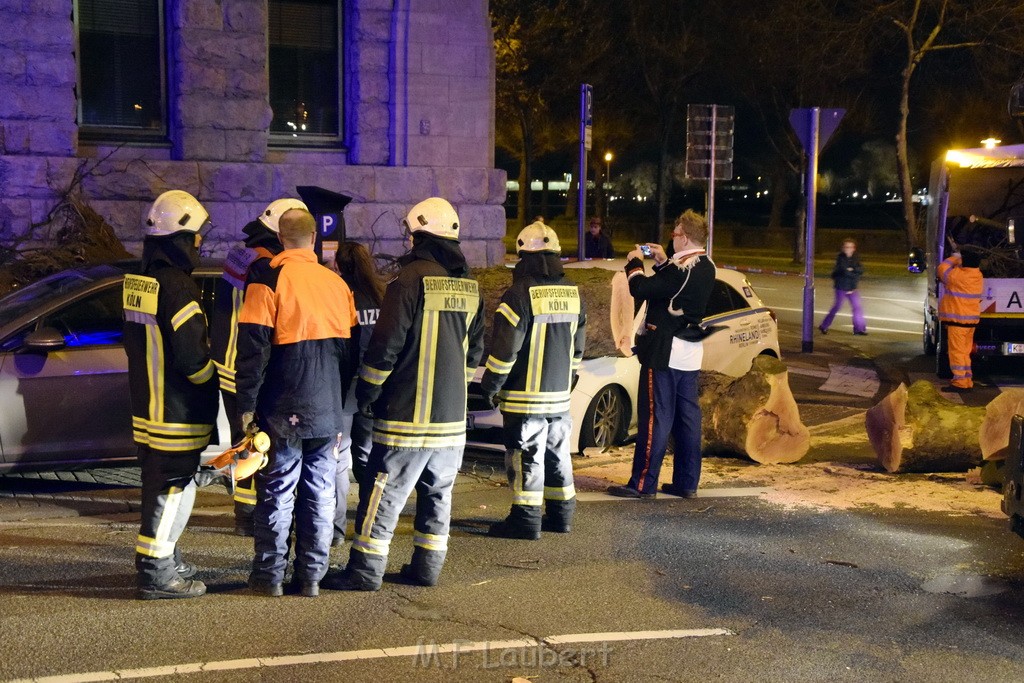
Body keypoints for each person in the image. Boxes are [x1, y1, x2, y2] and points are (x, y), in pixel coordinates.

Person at [326, 197, 484, 591]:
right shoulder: (469, 286)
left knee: (383, 494)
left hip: (406, 417)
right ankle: (427, 569)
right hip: (451, 422)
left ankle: (364, 572)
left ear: (418, 235)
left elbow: (385, 346)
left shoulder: (408, 282)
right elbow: (474, 351)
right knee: (438, 497)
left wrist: (367, 390)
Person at [235, 208, 358, 598]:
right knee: (321, 491)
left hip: (281, 403)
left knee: (277, 491)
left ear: (279, 237)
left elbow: (253, 349)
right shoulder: (336, 283)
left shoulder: (267, 278)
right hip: (326, 406)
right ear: (313, 239)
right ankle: (311, 578)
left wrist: (247, 405)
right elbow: (350, 352)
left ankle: (268, 577)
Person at [124, 190, 219, 600]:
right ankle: (157, 573)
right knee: (173, 488)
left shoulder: (140, 280)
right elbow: (192, 356)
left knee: (162, 486)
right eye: (197, 235)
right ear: (183, 237)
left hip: (147, 407)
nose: (200, 243)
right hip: (176, 411)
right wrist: (211, 383)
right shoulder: (178, 287)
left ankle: (166, 557)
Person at [480, 222, 586, 539]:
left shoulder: (518, 296)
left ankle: (525, 518)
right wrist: (568, 382)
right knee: (557, 456)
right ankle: (561, 515)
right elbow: (578, 349)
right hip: (559, 398)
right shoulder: (573, 293)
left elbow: (504, 352)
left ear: (523, 256)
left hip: (525, 400)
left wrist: (490, 387)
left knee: (526, 457)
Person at [210, 198, 306, 536]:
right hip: (250, 365)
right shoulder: (266, 265)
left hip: (227, 360)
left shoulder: (241, 254)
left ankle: (244, 512)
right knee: (256, 442)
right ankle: (249, 517)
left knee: (242, 440)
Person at [607, 209, 716, 499]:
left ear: (686, 237)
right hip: (691, 353)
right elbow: (674, 286)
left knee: (656, 418)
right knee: (687, 420)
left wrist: (634, 263)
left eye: (675, 234)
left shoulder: (682, 268)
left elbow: (641, 288)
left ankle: (642, 484)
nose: (672, 239)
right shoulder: (706, 265)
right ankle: (687, 482)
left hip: (665, 352)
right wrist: (663, 261)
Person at [331, 241, 385, 547]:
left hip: (344, 387)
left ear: (340, 266)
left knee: (338, 458)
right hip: (375, 387)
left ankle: (337, 530)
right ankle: (369, 523)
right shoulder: (382, 297)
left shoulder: (340, 295)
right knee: (368, 458)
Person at [937, 244, 984, 392]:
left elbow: (941, 269)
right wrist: (960, 260)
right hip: (970, 322)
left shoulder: (957, 276)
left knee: (957, 353)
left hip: (958, 322)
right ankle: (967, 379)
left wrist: (954, 258)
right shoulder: (977, 275)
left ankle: (959, 382)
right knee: (964, 352)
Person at [818, 239, 866, 335]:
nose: (848, 249)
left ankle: (859, 329)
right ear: (843, 248)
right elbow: (844, 271)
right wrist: (853, 271)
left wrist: (852, 271)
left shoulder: (856, 258)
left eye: (850, 247)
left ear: (854, 249)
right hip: (841, 287)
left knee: (857, 307)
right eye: (846, 247)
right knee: (837, 307)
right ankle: (824, 326)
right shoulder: (841, 258)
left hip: (852, 288)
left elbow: (860, 270)